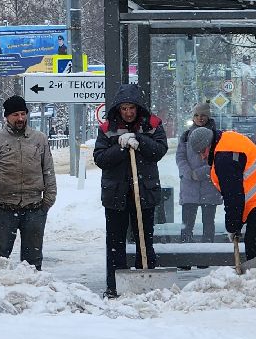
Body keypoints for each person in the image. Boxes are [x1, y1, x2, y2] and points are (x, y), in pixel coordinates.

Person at [187, 124, 256, 296]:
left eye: (203, 151)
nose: (202, 157)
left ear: (209, 144)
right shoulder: (225, 140)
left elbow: (234, 196)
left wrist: (233, 226)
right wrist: (236, 223)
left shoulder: (224, 157)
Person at [92, 84, 167, 298]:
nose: (128, 112)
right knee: (115, 243)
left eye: (131, 108)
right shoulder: (107, 128)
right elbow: (100, 159)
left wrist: (139, 140)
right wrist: (121, 147)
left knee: (144, 240)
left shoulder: (152, 125)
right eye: (124, 108)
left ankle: (145, 282)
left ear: (138, 108)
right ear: (118, 109)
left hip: (144, 193)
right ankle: (115, 286)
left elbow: (159, 151)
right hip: (116, 195)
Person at [0, 95, 57, 269]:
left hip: (34, 208)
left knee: (33, 263)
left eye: (23, 113)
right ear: (7, 117)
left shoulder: (39, 139)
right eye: (15, 115)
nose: (20, 118)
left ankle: (33, 285)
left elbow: (48, 170)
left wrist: (48, 200)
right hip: (2, 208)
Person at [176, 101, 222, 241]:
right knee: (187, 225)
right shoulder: (186, 135)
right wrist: (188, 173)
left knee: (208, 224)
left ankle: (207, 252)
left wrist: (201, 173)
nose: (199, 118)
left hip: (209, 186)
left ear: (208, 116)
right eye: (196, 115)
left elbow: (218, 160)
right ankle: (185, 252)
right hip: (189, 186)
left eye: (203, 115)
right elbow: (180, 157)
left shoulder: (217, 136)